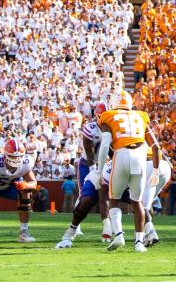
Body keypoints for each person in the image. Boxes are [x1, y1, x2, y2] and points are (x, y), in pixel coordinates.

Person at [98, 91, 160, 252]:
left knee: (113, 199)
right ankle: (139, 243)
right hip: (140, 156)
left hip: (121, 154)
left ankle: (119, 235)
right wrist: (155, 169)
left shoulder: (108, 116)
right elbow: (155, 146)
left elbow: (105, 145)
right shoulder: (140, 116)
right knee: (137, 201)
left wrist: (99, 171)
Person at [56, 102, 114, 249]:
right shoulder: (91, 129)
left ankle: (112, 227)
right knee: (84, 195)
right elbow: (89, 152)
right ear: (97, 115)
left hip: (104, 163)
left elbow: (111, 150)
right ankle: (77, 226)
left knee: (108, 195)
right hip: (86, 164)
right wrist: (94, 169)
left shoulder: (112, 127)